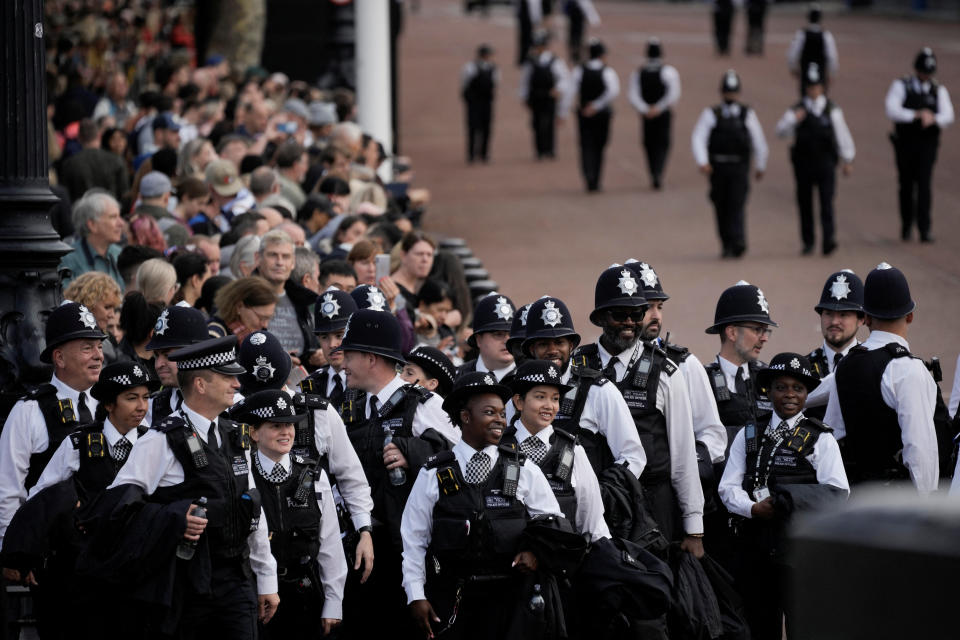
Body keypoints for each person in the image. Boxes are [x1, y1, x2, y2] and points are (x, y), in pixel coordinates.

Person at [105, 335, 279, 638]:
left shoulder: (235, 436)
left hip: (236, 580)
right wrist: (173, 517)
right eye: (227, 377)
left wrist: (266, 579)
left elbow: (253, 511)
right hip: (184, 584)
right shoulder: (159, 441)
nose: (237, 385)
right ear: (200, 384)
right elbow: (118, 510)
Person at [400, 371, 564, 640]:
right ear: (466, 417)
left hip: (512, 604)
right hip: (453, 600)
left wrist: (534, 552)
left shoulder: (524, 469)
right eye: (490, 412)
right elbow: (414, 540)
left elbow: (554, 524)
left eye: (502, 413)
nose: (500, 420)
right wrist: (415, 595)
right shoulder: (434, 473)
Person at [2, 361, 158, 640]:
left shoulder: (156, 443)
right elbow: (43, 498)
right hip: (82, 577)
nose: (142, 407)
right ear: (109, 404)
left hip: (136, 576)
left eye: (146, 398)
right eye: (131, 398)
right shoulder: (78, 444)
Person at [334, 308, 460, 639]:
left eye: (349, 353)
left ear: (371, 358)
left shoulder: (424, 404)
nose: (342, 363)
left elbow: (466, 458)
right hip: (360, 553)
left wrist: (414, 452)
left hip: (409, 557)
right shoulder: (347, 407)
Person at [719, 353, 848, 640]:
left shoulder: (821, 438)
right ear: (769, 390)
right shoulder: (749, 433)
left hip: (800, 551)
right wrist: (752, 508)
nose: (789, 394)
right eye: (781, 387)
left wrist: (785, 500)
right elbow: (728, 487)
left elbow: (838, 494)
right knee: (758, 624)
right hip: (755, 549)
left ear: (806, 394)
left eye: (798, 388)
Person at [574, 265, 704, 549]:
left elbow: (683, 456)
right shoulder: (575, 366)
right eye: (620, 314)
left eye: (637, 314)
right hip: (592, 506)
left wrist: (694, 528)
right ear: (600, 318)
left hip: (652, 507)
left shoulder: (667, 373)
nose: (630, 322)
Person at [228, 389, 346, 638]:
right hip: (254, 595)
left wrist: (333, 603)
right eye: (275, 426)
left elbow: (330, 546)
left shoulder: (314, 476)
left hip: (304, 596)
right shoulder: (241, 475)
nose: (286, 432)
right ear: (254, 433)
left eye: (290, 425)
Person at [824, 263, 939, 492]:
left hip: (856, 498)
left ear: (865, 317)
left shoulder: (846, 364)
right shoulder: (909, 368)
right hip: (899, 501)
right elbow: (919, 450)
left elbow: (832, 435)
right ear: (910, 316)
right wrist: (928, 506)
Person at [0, 302, 106, 547]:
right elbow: (8, 490)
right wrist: (13, 549)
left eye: (99, 346)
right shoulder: (29, 411)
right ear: (59, 357)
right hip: (54, 551)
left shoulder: (111, 404)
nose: (99, 355)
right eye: (87, 348)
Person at [522, 296, 647, 479]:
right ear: (532, 349)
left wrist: (602, 492)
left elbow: (633, 456)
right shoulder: (517, 395)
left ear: (571, 346)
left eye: (559, 343)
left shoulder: (599, 391)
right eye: (543, 344)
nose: (552, 350)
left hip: (583, 504)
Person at [701, 281, 776, 568]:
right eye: (757, 329)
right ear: (732, 332)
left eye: (765, 330)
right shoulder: (703, 380)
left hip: (765, 513)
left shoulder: (771, 381)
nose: (764, 338)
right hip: (719, 514)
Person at [502, 359, 609, 541]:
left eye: (555, 399)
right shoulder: (499, 446)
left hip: (560, 559)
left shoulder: (573, 450)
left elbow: (592, 519)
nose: (549, 406)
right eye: (540, 397)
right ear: (519, 402)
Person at [775, 63, 855, 256]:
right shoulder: (797, 109)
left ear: (822, 87)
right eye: (810, 87)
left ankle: (829, 240)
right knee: (805, 204)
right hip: (803, 164)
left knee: (826, 201)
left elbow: (842, 135)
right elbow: (780, 131)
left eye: (816, 86)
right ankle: (808, 241)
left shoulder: (832, 110)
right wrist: (795, 119)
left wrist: (848, 159)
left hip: (826, 163)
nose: (813, 90)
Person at [691, 70, 768, 259]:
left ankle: (739, 240)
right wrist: (703, 162)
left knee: (737, 203)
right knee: (721, 205)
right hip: (718, 167)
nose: (730, 96)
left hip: (739, 167)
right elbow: (698, 137)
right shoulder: (711, 114)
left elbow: (758, 139)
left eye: (733, 92)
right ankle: (726, 243)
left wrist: (761, 164)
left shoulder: (746, 114)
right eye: (727, 92)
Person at [885, 47, 954, 243]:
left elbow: (948, 116)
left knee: (924, 185)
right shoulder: (902, 85)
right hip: (905, 144)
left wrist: (932, 117)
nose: (925, 76)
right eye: (923, 72)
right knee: (905, 184)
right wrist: (914, 115)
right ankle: (906, 226)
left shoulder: (938, 89)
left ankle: (925, 229)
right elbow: (891, 109)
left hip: (927, 145)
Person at [802, 270, 865, 420]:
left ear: (862, 319)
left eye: (843, 314)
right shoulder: (804, 367)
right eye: (828, 313)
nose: (834, 321)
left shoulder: (870, 362)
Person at [257, 229, 320, 368]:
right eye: (273, 255)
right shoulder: (242, 298)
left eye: (285, 256)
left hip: (298, 384)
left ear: (293, 263)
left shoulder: (306, 301)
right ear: (258, 259)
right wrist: (278, 360)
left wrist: (318, 355)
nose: (279, 262)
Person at [145, 304, 211, 427]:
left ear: (195, 353)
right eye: (156, 356)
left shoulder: (226, 403)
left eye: (167, 355)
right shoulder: (151, 406)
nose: (158, 365)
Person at [567, 39, 619, 192]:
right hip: (602, 115)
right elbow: (613, 92)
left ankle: (588, 176)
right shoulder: (608, 71)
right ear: (602, 55)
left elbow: (571, 91)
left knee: (585, 146)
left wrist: (567, 110)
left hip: (584, 114)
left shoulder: (579, 70)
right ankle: (596, 178)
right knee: (600, 147)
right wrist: (597, 106)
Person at [628, 38, 681, 190]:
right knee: (663, 144)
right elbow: (674, 94)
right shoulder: (668, 72)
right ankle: (658, 171)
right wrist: (658, 108)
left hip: (646, 116)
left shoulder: (639, 72)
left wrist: (645, 109)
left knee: (649, 144)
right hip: (662, 114)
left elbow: (633, 95)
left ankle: (653, 172)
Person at [59, 191, 125, 290]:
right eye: (113, 217)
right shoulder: (68, 260)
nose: (121, 223)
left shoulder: (120, 254)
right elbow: (67, 300)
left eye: (119, 216)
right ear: (92, 225)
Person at [520, 30, 569, 160]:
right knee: (536, 123)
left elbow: (564, 78)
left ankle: (550, 149)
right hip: (535, 96)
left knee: (549, 122)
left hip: (549, 97)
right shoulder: (530, 61)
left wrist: (558, 89)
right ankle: (539, 150)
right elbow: (525, 80)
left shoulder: (555, 61)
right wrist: (524, 96)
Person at [58, 118, 129, 202]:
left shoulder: (69, 164)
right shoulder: (116, 160)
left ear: (79, 138)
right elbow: (124, 194)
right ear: (99, 135)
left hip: (82, 212)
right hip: (111, 210)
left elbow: (65, 196)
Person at [458, 293, 517, 380]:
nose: (507, 341)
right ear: (479, 340)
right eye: (498, 334)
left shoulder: (530, 378)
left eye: (511, 334)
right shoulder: (457, 378)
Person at [787, 4, 838, 95]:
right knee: (820, 96)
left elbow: (793, 53)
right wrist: (832, 72)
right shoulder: (826, 35)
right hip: (821, 70)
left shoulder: (801, 34)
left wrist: (793, 67)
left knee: (805, 94)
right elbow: (832, 56)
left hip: (805, 69)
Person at [209, 276, 278, 342]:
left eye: (269, 318)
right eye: (261, 318)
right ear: (239, 306)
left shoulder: (260, 335)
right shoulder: (216, 335)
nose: (265, 325)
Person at [461, 44, 499, 164]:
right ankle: (471, 154)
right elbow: (465, 84)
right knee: (473, 127)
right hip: (474, 102)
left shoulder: (493, 68)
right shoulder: (470, 68)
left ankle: (484, 153)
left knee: (486, 128)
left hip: (486, 102)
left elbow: (495, 84)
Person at [390, 231, 436, 310]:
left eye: (429, 255)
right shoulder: (391, 290)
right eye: (419, 254)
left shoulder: (423, 288)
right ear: (403, 255)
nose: (425, 260)